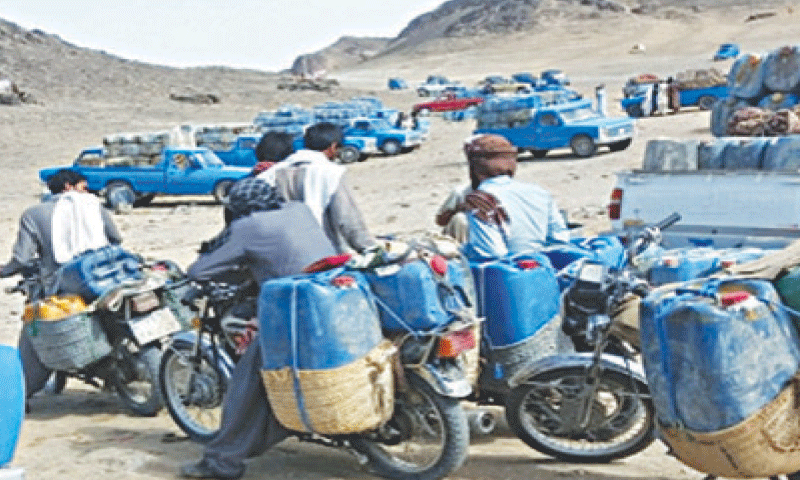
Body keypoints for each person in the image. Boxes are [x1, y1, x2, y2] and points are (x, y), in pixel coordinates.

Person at [180, 177, 336, 480]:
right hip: (332, 294)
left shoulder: (247, 227)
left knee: (245, 384)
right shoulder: (298, 209)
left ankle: (222, 463)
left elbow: (199, 271)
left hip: (295, 309)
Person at [0, 168, 122, 399]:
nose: (87, 192)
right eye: (84, 187)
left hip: (62, 285)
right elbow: (115, 239)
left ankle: (20, 392)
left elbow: (22, 259)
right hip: (108, 276)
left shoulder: (34, 214)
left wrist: (6, 270)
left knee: (34, 329)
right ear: (69, 186)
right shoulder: (94, 206)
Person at [257, 121, 376, 254]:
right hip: (321, 254)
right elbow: (348, 219)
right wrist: (369, 249)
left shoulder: (270, 174)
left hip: (280, 254)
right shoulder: (330, 173)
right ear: (333, 147)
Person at [461, 134, 569, 260]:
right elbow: (560, 239)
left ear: (474, 168)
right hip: (544, 270)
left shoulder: (480, 200)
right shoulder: (539, 193)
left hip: (509, 276)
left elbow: (492, 253)